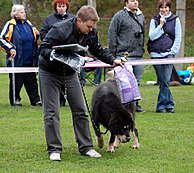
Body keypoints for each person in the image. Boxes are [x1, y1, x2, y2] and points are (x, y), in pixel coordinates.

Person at [39, 5, 123, 161]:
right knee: (51, 113)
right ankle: (54, 149)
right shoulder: (59, 29)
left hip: (70, 73)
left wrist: (113, 60)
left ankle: (86, 147)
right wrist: (55, 54)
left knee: (81, 110)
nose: (91, 29)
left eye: (93, 26)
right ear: (79, 20)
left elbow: (98, 50)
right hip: (49, 73)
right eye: (89, 26)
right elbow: (43, 48)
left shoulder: (91, 33)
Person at [0, 4, 42, 106]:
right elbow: (1, 38)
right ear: (15, 14)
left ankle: (35, 100)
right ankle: (16, 100)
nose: (24, 13)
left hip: (30, 59)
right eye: (22, 12)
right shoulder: (10, 24)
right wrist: (10, 48)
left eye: (24, 11)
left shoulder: (28, 23)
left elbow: (34, 37)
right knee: (16, 81)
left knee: (32, 81)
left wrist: (37, 34)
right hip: (17, 60)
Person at [108, 0, 146, 113]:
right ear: (126, 3)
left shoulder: (141, 16)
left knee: (137, 82)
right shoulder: (119, 16)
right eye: (132, 0)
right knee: (124, 83)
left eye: (136, 0)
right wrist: (112, 52)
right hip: (123, 55)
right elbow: (112, 33)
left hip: (138, 54)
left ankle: (134, 105)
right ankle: (123, 105)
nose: (135, 2)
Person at [148, 0, 182, 113]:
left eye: (166, 7)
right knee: (162, 81)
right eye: (162, 7)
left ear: (169, 8)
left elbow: (178, 37)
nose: (164, 9)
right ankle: (169, 105)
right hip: (155, 54)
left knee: (166, 80)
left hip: (168, 54)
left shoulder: (175, 20)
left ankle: (161, 106)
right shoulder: (154, 20)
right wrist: (161, 25)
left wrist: (173, 51)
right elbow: (152, 36)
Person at [40, 0, 75, 106]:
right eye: (59, 6)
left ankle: (68, 99)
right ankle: (58, 100)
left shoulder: (72, 19)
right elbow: (43, 33)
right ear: (55, 7)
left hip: (68, 53)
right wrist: (50, 43)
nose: (61, 8)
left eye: (63, 6)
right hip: (53, 52)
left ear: (66, 7)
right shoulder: (49, 19)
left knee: (68, 78)